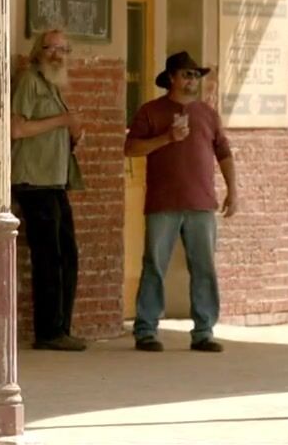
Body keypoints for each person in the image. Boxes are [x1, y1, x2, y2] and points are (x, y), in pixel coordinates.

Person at [124, 51, 238, 353]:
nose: (193, 80)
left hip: (201, 202)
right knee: (154, 265)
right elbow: (131, 148)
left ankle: (204, 331)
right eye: (187, 74)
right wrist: (167, 138)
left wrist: (233, 190)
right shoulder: (151, 111)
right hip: (162, 203)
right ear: (171, 78)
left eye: (197, 75)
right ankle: (146, 330)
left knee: (203, 267)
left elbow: (224, 152)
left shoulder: (208, 114)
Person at [10, 29, 87, 352]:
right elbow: (16, 128)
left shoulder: (54, 86)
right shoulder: (29, 80)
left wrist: (73, 131)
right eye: (50, 48)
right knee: (48, 257)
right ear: (37, 51)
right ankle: (49, 332)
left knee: (67, 255)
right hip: (33, 180)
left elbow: (58, 127)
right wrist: (61, 121)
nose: (57, 54)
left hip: (55, 180)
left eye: (63, 49)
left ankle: (61, 327)